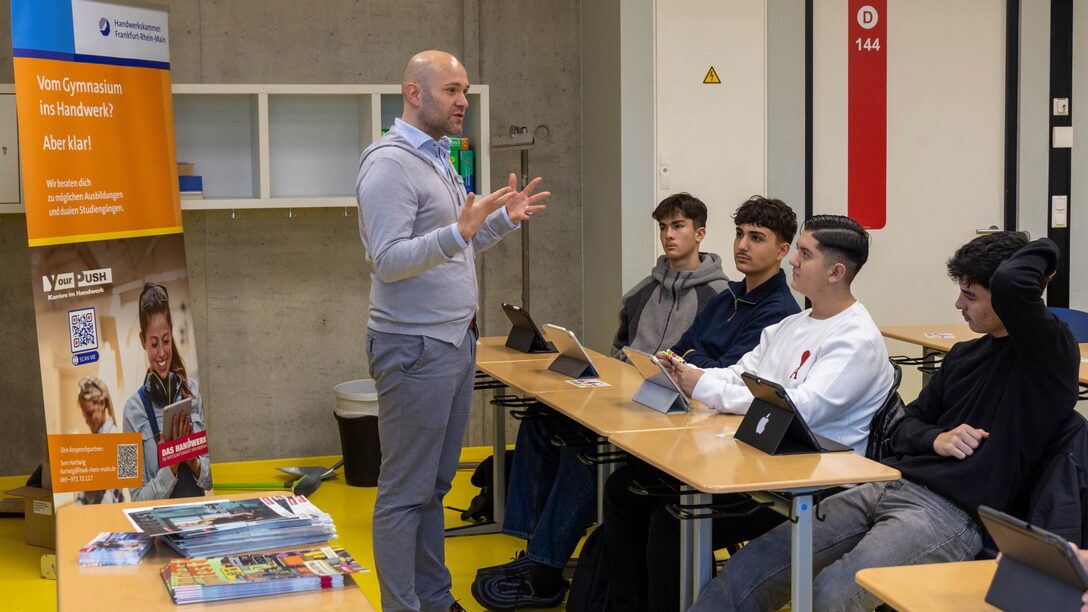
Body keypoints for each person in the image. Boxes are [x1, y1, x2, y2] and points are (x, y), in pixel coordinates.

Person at [691, 233, 1079, 612]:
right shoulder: (963, 355)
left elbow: (1015, 281)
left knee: (835, 592)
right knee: (751, 568)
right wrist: (936, 439)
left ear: (1009, 300)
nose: (958, 303)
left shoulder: (1048, 359)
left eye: (972, 295)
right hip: (890, 484)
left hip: (954, 513)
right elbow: (904, 427)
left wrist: (1038, 249)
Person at [470, 196, 798, 611]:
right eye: (739, 234)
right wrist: (686, 364)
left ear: (783, 251)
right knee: (545, 423)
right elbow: (681, 352)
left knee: (593, 455)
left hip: (710, 429)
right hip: (678, 403)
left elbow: (728, 372)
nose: (742, 246)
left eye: (756, 238)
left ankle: (546, 567)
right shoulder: (728, 297)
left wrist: (690, 365)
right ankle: (537, 555)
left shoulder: (778, 312)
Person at [604, 214, 895, 612]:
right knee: (625, 488)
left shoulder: (856, 338)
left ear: (835, 272)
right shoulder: (793, 324)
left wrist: (703, 386)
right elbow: (744, 373)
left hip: (813, 480)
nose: (792, 260)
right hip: (763, 456)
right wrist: (690, 374)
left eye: (804, 254)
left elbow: (799, 407)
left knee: (673, 520)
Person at [355, 49, 549, 612]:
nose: (462, 101)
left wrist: (498, 223)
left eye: (465, 90)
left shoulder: (437, 156)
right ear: (415, 94)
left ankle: (435, 600)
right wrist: (460, 231)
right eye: (451, 90)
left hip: (452, 342)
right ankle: (405, 606)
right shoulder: (390, 164)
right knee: (404, 493)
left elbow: (451, 246)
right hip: (414, 348)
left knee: (434, 488)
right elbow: (388, 260)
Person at [610, 193, 731, 360]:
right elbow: (618, 349)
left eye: (678, 226)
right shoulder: (637, 294)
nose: (668, 235)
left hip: (686, 384)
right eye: (663, 227)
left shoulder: (723, 296)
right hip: (633, 381)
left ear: (700, 234)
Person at [123, 283, 212, 501]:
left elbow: (212, 478)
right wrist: (171, 466)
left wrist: (193, 461)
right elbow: (134, 499)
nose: (162, 353)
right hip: (161, 533)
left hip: (201, 524)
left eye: (166, 340)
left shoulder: (193, 391)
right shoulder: (129, 411)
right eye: (154, 344)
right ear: (143, 340)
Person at [75, 377, 126, 505]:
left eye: (90, 413)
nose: (86, 420)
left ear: (102, 404)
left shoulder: (118, 439)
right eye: (84, 415)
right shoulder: (93, 441)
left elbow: (113, 495)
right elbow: (82, 491)